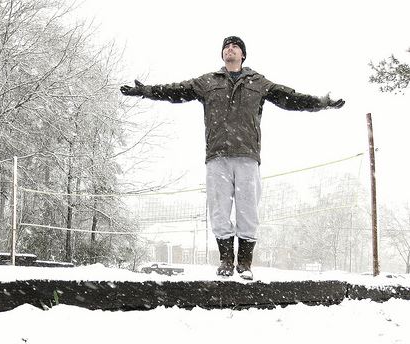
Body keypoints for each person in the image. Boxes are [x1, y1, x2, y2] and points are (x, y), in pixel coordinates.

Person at [121, 36, 344, 280]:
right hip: (217, 155)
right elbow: (177, 91)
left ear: (243, 55)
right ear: (222, 55)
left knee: (248, 211)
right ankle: (226, 260)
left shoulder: (258, 82)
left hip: (247, 154)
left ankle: (245, 263)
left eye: (235, 46)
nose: (230, 48)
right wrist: (146, 91)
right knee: (218, 209)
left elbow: (289, 97)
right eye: (227, 46)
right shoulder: (207, 81)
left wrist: (322, 103)